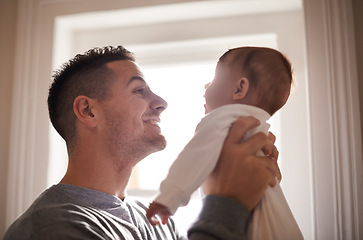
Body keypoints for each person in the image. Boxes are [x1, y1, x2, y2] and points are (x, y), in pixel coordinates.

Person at [4, 46, 281, 240]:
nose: (161, 103)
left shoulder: (156, 220)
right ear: (88, 111)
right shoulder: (51, 228)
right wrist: (229, 201)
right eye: (139, 90)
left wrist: (254, 198)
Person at [146, 47, 303, 239]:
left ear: (239, 89)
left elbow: (194, 159)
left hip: (246, 221)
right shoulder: (259, 129)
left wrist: (168, 199)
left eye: (213, 78)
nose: (206, 85)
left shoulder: (222, 118)